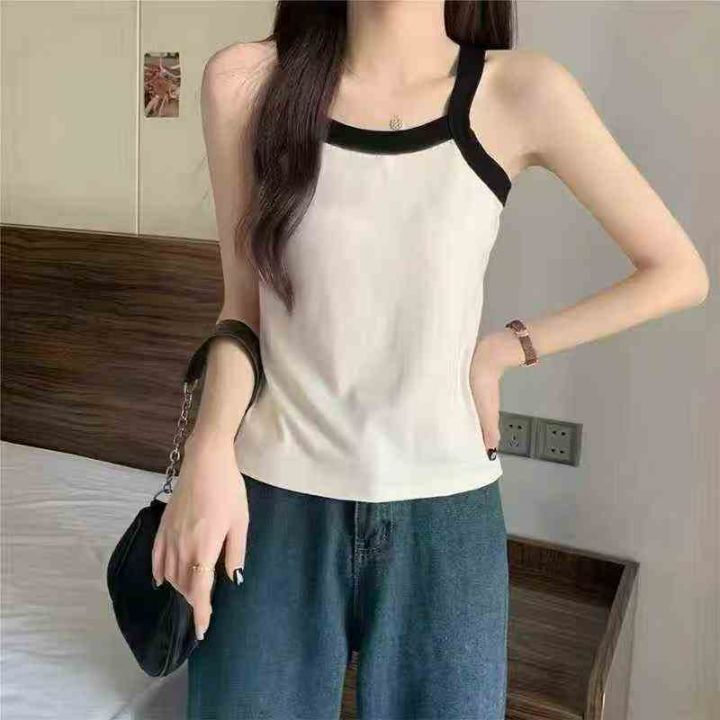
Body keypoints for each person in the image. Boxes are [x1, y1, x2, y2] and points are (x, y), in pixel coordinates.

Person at [150, 2, 709, 718]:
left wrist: (504, 349)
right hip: (273, 507)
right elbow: (242, 310)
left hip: (444, 521)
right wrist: (207, 452)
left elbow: (678, 272)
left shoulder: (521, 91)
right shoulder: (246, 82)